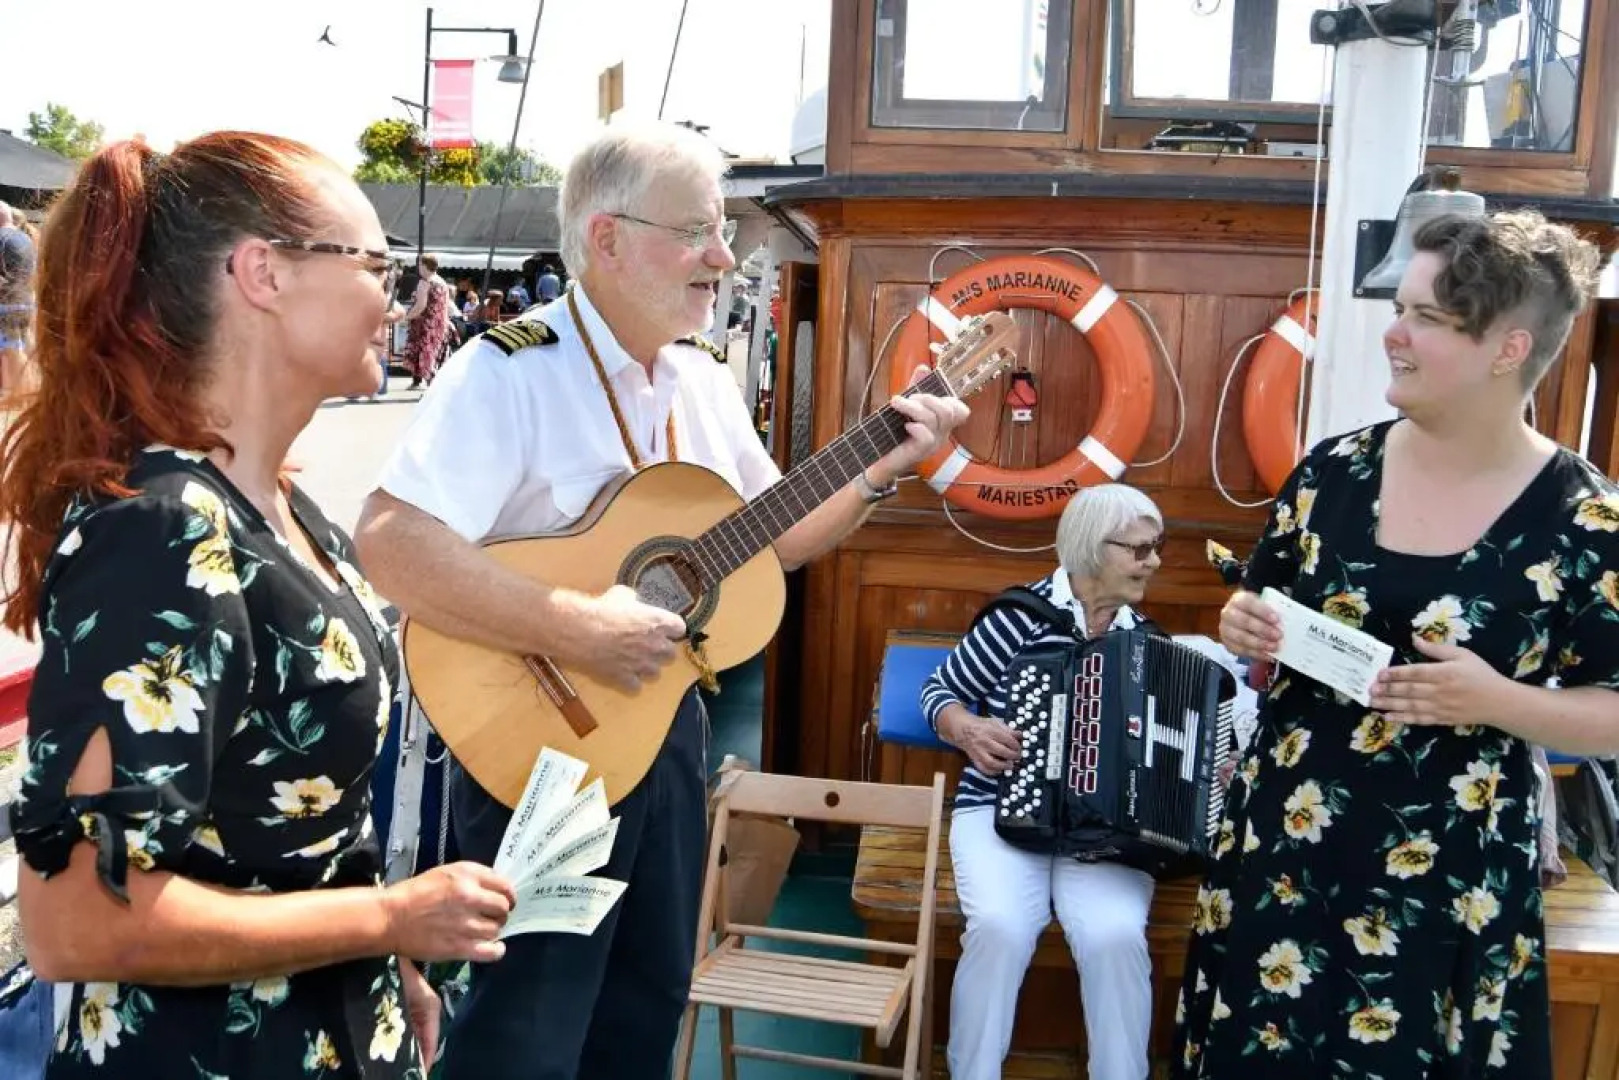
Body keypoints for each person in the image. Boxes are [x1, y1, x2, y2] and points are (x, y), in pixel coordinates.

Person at [352, 119, 969, 1080]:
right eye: (698, 232)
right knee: (529, 1027)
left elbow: (780, 534)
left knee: (645, 1006)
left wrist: (880, 468)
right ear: (607, 239)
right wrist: (575, 626)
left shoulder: (703, 385)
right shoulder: (509, 369)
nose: (723, 257)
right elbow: (391, 542)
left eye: (720, 232)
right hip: (548, 749)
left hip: (666, 729)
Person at [0, 132, 516, 1079]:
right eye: (375, 265)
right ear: (263, 274)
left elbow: (286, 832)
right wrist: (390, 918)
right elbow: (73, 923)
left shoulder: (274, 503)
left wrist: (383, 957)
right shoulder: (160, 534)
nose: (396, 299)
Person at [1174, 209, 1616, 1079]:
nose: (1394, 334)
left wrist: (1499, 702)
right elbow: (1263, 626)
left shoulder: (1587, 520)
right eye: (1400, 307)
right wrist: (1245, 630)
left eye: (1428, 319)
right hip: (1282, 853)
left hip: (1447, 886)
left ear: (1507, 349)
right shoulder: (1329, 472)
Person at [920, 484, 1167, 1080]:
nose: (1153, 561)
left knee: (1115, 936)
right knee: (1000, 927)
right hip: (1000, 811)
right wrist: (970, 729)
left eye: (1156, 547)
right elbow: (938, 694)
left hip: (1105, 831)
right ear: (1091, 548)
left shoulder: (1146, 644)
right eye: (1138, 549)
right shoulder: (1018, 619)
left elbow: (1166, 747)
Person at [393, 253, 452, 390]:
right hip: (438, 324)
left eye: (420, 264)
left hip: (424, 324)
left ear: (425, 266)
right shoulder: (442, 282)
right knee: (430, 353)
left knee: (423, 353)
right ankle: (419, 381)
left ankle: (432, 387)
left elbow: (420, 306)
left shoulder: (425, 282)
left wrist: (405, 317)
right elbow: (446, 305)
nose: (418, 267)